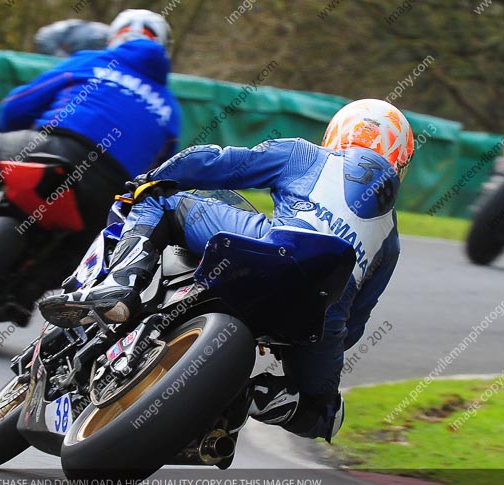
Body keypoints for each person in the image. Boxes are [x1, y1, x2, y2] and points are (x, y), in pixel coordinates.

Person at [39, 99, 414, 442]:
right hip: (321, 312)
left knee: (162, 201)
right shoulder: (391, 239)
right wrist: (300, 336)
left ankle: (121, 285)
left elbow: (222, 163)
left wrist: (156, 176)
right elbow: (352, 328)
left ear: (339, 132)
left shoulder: (308, 155)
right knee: (323, 414)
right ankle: (250, 397)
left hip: (275, 249)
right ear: (400, 159)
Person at [0, 8, 181, 243]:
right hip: (111, 186)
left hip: (55, 145)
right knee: (84, 244)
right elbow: (163, 174)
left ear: (114, 37)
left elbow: (17, 105)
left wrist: (10, 130)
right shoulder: (170, 107)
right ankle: (32, 293)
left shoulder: (91, 60)